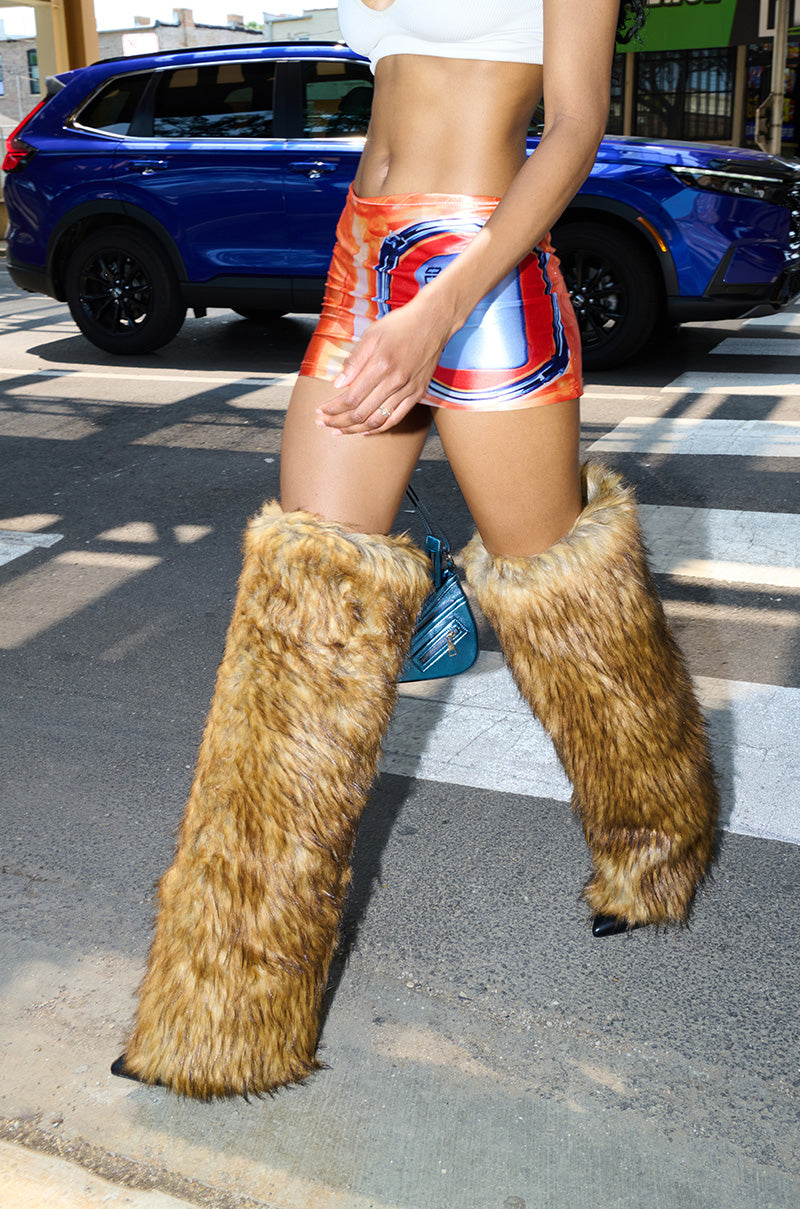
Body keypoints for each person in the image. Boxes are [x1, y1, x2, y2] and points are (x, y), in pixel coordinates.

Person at [112, 0, 718, 1100]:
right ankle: (225, 1008)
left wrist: (437, 307)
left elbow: (574, 125)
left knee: (561, 599)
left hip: (473, 275)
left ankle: (654, 845)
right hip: (362, 258)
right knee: (302, 624)